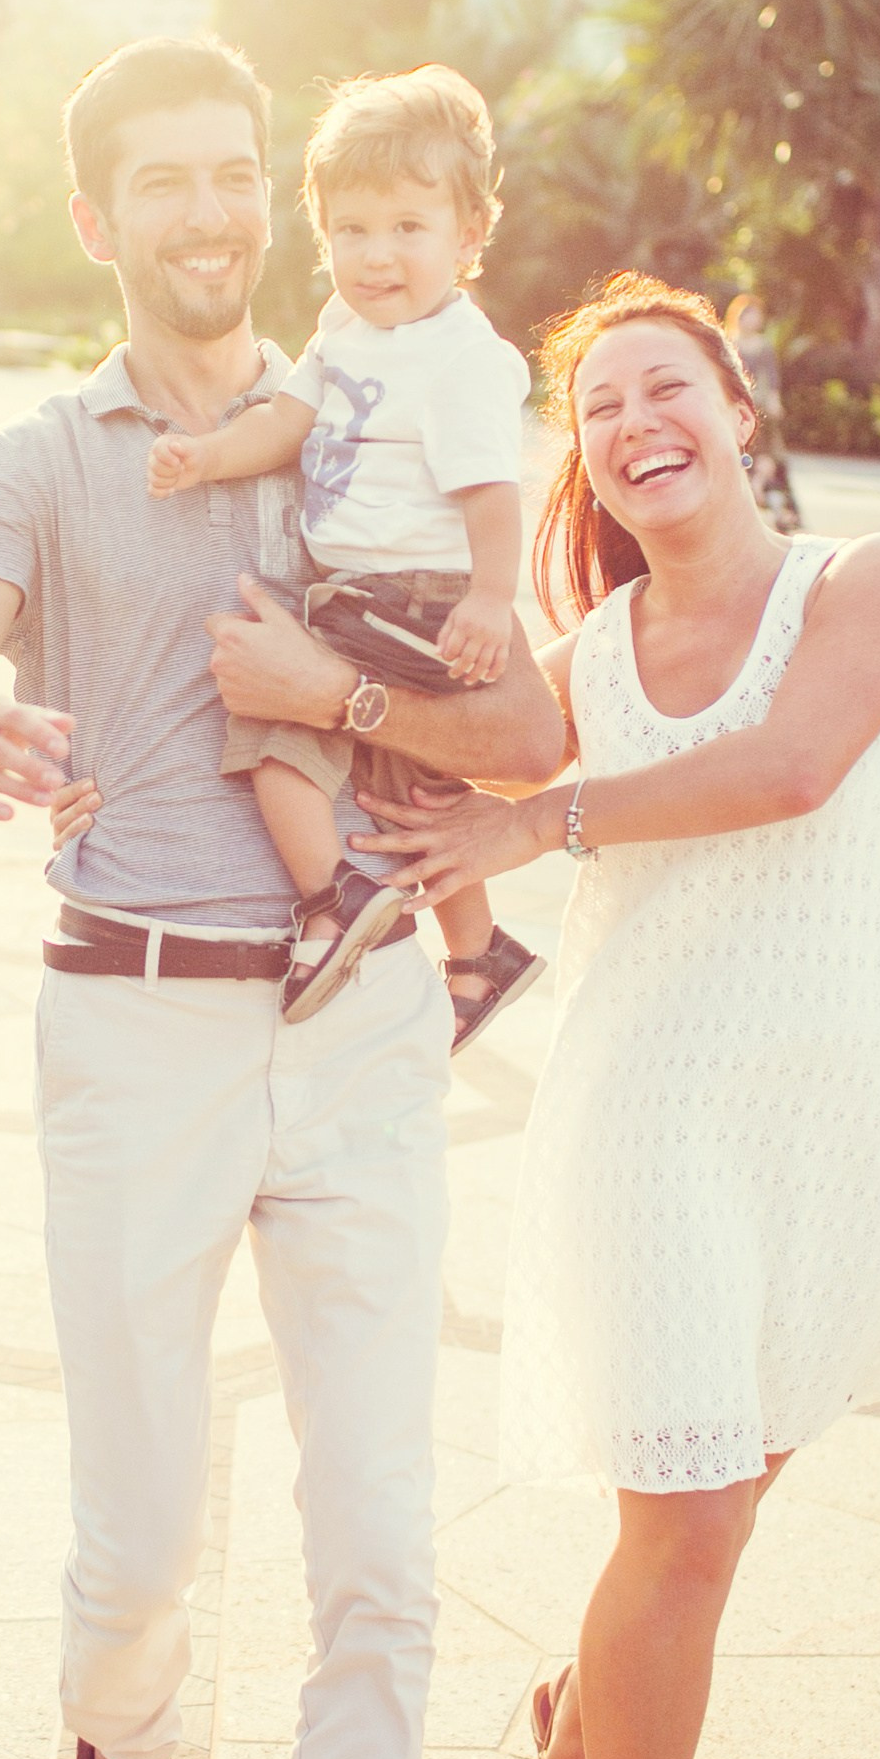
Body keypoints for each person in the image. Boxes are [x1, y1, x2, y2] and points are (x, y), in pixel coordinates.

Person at [0, 36, 564, 1759]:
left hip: (356, 1031)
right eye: (161, 183)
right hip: (136, 1024)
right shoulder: (33, 453)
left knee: (381, 1564)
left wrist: (334, 706)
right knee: (139, 1539)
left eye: (234, 177)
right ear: (97, 220)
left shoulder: (386, 398)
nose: (210, 213)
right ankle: (126, 1728)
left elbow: (524, 719)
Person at [357, 271, 880, 1759]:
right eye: (602, 407)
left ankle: (576, 1715)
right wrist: (322, 680)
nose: (638, 422)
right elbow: (449, 740)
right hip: (655, 1113)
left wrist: (534, 819)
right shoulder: (589, 666)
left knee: (717, 1501)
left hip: (851, 1109)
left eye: (666, 385)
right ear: (595, 467)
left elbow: (791, 768)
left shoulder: (870, 588)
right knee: (690, 1517)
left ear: (737, 405)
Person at [144, 65, 543, 1049]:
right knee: (414, 785)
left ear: (468, 235)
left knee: (269, 723)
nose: (376, 256)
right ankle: (477, 951)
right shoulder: (345, 331)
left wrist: (491, 599)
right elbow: (285, 421)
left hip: (415, 596)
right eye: (352, 231)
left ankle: (334, 903)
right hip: (368, 593)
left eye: (408, 228)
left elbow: (491, 490)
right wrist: (208, 456)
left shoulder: (456, 356)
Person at [726, 291, 802, 532]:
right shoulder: (729, 343)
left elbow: (771, 377)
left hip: (760, 407)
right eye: (748, 314)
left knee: (772, 454)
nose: (753, 319)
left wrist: (774, 400)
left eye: (756, 315)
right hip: (735, 405)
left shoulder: (763, 346)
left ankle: (784, 510)